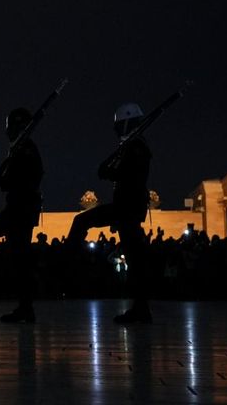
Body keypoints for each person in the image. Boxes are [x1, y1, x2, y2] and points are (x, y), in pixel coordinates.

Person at [66, 103, 152, 323]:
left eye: (118, 125)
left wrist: (111, 172)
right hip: (125, 207)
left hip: (127, 208)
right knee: (134, 257)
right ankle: (141, 309)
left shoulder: (137, 147)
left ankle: (66, 265)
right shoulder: (131, 146)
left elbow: (133, 176)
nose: (116, 130)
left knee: (82, 221)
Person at [0, 108, 43, 323]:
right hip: (18, 207)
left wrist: (3, 182)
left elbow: (29, 178)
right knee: (19, 258)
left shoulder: (26, 149)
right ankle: (24, 307)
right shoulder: (20, 149)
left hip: (20, 209)